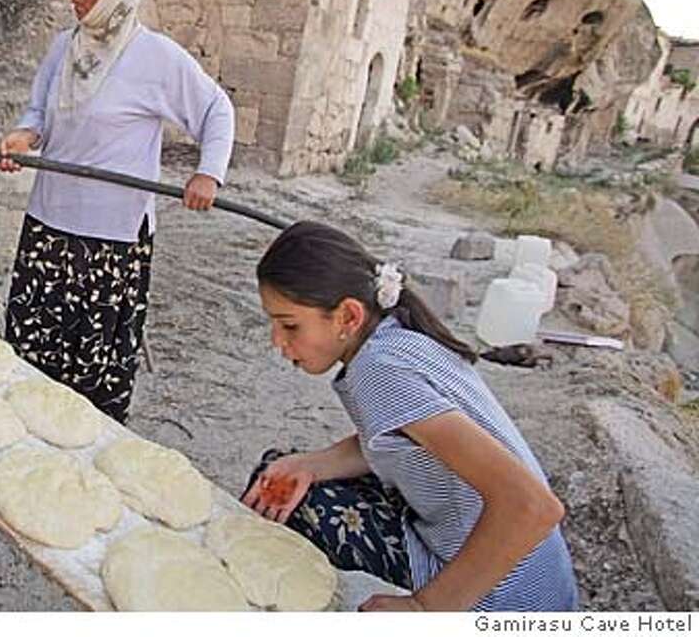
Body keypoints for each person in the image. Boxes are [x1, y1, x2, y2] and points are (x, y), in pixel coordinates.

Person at [241, 221, 578, 612]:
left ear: (348, 316)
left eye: (289, 325)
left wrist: (425, 608)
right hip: (533, 584)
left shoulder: (380, 372)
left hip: (504, 598)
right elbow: (399, 439)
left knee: (303, 509)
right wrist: (312, 464)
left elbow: (533, 506)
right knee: (280, 476)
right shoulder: (396, 337)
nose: (277, 341)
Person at [0, 0, 235, 423]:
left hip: (109, 242)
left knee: (91, 366)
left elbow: (216, 109)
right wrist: (23, 138)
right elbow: (38, 115)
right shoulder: (64, 47)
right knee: (30, 353)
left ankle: (84, 461)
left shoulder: (156, 57)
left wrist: (207, 173)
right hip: (48, 227)